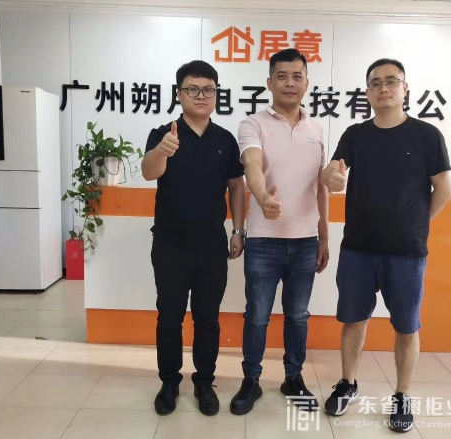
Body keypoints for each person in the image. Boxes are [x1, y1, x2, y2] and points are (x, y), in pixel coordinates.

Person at [321, 58, 451, 432]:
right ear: (367, 92)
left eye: (391, 81)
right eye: (376, 83)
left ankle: (402, 395)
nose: (384, 88)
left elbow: (443, 188)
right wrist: (331, 176)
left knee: (406, 327)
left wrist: (417, 223)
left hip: (407, 252)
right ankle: (348, 384)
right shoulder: (356, 134)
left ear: (404, 89)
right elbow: (334, 170)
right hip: (358, 248)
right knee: (353, 320)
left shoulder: (426, 135)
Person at [141, 60, 246, 417]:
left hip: (212, 247)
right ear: (179, 94)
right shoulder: (164, 133)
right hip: (170, 245)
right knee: (169, 317)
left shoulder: (225, 140)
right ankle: (169, 383)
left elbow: (236, 187)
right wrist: (162, 151)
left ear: (216, 94)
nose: (201, 96)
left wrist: (238, 231)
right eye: (192, 89)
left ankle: (204, 382)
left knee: (208, 319)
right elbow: (148, 172)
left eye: (208, 90)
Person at [229, 48, 330, 416]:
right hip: (263, 240)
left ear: (306, 83)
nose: (290, 83)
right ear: (269, 82)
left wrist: (324, 235)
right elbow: (251, 165)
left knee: (298, 315)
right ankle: (251, 380)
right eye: (282, 76)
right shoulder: (252, 124)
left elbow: (321, 186)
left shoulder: (316, 130)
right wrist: (261, 196)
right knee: (257, 315)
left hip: (305, 241)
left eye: (297, 76)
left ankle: (293, 378)